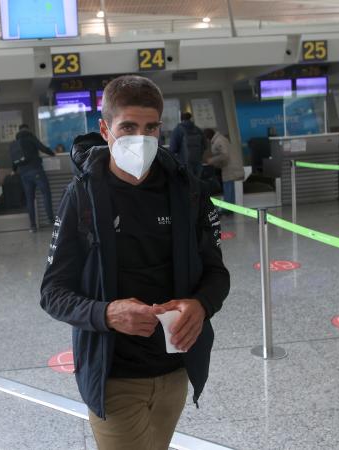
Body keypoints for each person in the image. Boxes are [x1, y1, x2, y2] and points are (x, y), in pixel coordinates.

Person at [40, 75, 230, 450]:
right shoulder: (84, 196)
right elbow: (52, 292)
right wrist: (107, 314)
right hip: (114, 377)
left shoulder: (186, 189)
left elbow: (216, 272)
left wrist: (201, 304)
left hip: (175, 370)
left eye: (151, 127)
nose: (140, 137)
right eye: (128, 126)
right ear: (105, 129)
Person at [9, 124, 55, 230]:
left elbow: (14, 160)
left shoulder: (16, 143)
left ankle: (33, 226)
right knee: (45, 193)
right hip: (36, 170)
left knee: (29, 199)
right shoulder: (30, 138)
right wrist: (52, 154)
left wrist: (14, 170)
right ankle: (50, 219)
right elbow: (42, 147)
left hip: (23, 174)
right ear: (28, 129)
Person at [204, 128, 245, 209]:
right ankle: (229, 209)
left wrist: (211, 160)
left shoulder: (219, 141)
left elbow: (225, 155)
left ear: (208, 137)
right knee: (229, 190)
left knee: (228, 190)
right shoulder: (219, 139)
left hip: (230, 169)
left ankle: (227, 209)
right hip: (229, 168)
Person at [169, 112, 207, 178]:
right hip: (198, 162)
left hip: (184, 164)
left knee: (188, 184)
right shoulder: (198, 130)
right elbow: (205, 145)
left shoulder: (177, 130)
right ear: (190, 118)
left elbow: (172, 149)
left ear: (181, 119)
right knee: (197, 183)